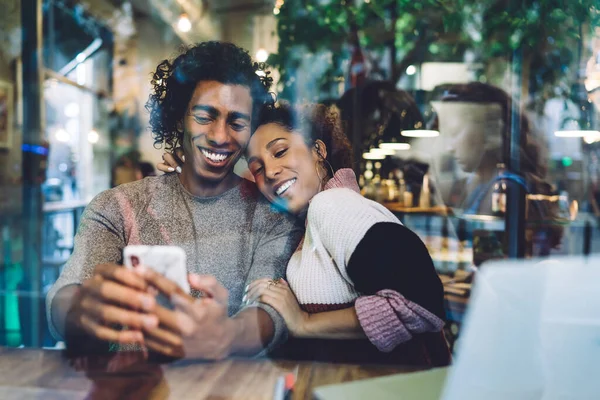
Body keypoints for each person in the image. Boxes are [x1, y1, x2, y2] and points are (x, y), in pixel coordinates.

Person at [46, 41, 303, 360]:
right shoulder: (117, 205)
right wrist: (78, 312)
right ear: (179, 118)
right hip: (131, 385)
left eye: (236, 122)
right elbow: (66, 292)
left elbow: (270, 310)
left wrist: (228, 335)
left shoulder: (273, 217)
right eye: (205, 116)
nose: (220, 136)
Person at [160, 104, 450, 366]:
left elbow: (421, 300)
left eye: (281, 151)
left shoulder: (333, 205)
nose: (271, 171)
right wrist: (194, 172)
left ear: (319, 151)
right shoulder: (311, 220)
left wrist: (305, 322)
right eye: (257, 168)